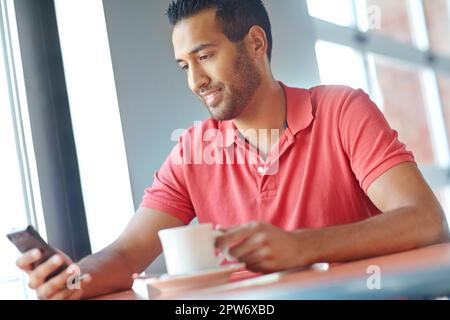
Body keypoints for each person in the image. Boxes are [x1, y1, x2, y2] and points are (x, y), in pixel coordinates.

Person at [16, 0, 449, 300]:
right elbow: (127, 254)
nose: (195, 81)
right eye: (185, 65)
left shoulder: (341, 109)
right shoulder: (192, 150)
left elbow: (426, 221)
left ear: (256, 43)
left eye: (205, 56)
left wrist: (303, 247)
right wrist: (72, 280)